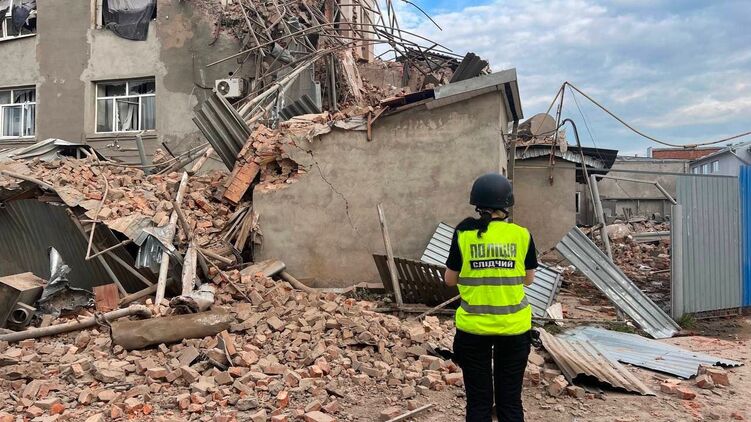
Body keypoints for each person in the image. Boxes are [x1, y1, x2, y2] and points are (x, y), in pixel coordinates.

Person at [444, 172, 538, 422]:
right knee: (510, 401)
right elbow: (529, 279)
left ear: (477, 204)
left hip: (473, 330)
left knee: (479, 402)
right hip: (514, 328)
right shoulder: (522, 235)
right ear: (507, 204)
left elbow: (450, 280)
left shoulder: (464, 234)